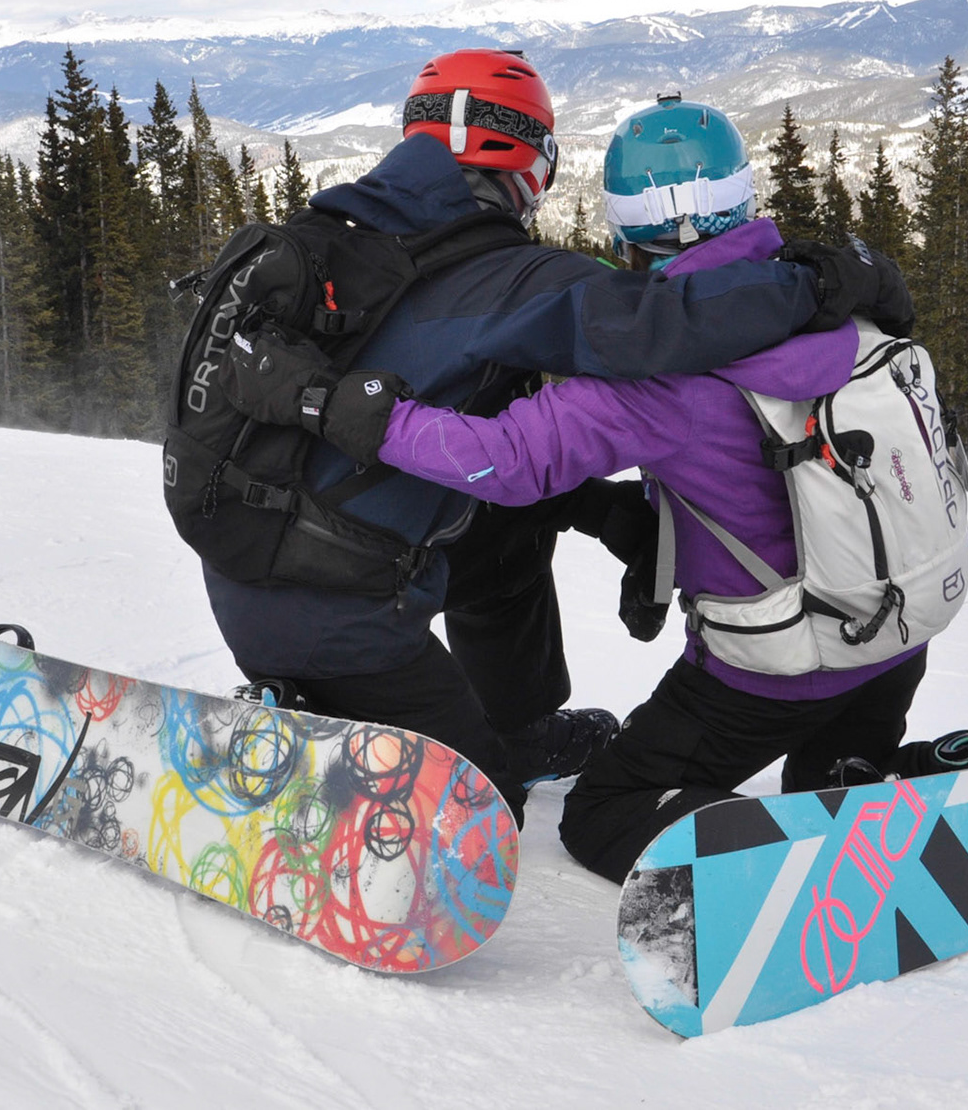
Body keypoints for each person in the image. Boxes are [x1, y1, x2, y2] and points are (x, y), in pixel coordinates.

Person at [225, 94, 968, 882]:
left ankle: (810, 858)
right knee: (837, 774)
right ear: (744, 201)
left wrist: (347, 407)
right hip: (897, 634)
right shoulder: (829, 299)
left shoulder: (654, 374)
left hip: (773, 674)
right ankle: (960, 767)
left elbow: (504, 462)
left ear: (626, 232)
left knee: (603, 813)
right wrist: (627, 523)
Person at [189, 51, 910, 822]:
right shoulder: (518, 280)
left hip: (244, 557)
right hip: (346, 615)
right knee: (481, 809)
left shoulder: (334, 236)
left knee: (511, 525)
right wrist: (832, 279)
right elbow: (659, 329)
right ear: (531, 163)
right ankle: (323, 725)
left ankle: (505, 722)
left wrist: (606, 513)